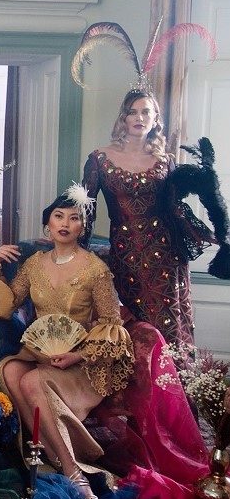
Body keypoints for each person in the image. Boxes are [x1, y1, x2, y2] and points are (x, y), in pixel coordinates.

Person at [0, 183, 135, 499]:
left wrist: (77, 354)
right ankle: (45, 457)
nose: (65, 223)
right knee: (9, 371)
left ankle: (72, 471)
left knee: (30, 381)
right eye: (58, 216)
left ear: (82, 227)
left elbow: (113, 325)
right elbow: (7, 304)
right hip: (39, 354)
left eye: (74, 218)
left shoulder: (96, 270)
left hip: (79, 362)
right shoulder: (34, 264)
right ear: (48, 224)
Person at [82, 89, 198, 344]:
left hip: (167, 256)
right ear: (123, 118)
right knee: (132, 325)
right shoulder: (99, 159)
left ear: (156, 118)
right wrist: (78, 252)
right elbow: (86, 210)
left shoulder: (166, 161)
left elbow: (175, 209)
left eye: (146, 111)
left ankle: (171, 371)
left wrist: (205, 232)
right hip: (125, 253)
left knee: (167, 328)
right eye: (132, 112)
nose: (139, 117)